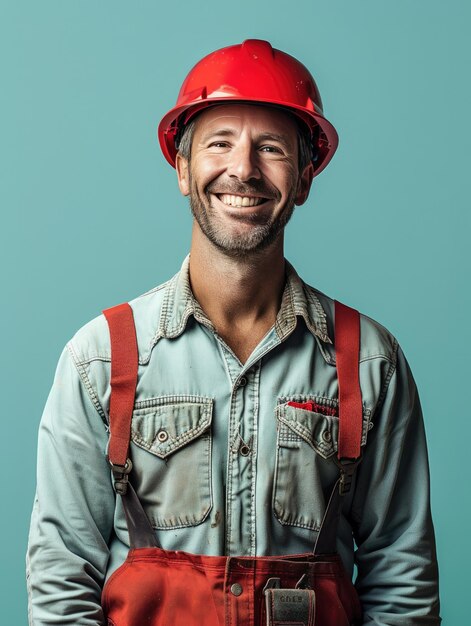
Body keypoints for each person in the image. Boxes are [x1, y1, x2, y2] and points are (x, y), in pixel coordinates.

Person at [27, 39, 440, 625]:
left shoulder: (369, 361)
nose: (242, 169)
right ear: (182, 169)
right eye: (219, 143)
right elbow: (62, 578)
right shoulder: (101, 360)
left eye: (270, 148)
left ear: (304, 180)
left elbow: (402, 576)